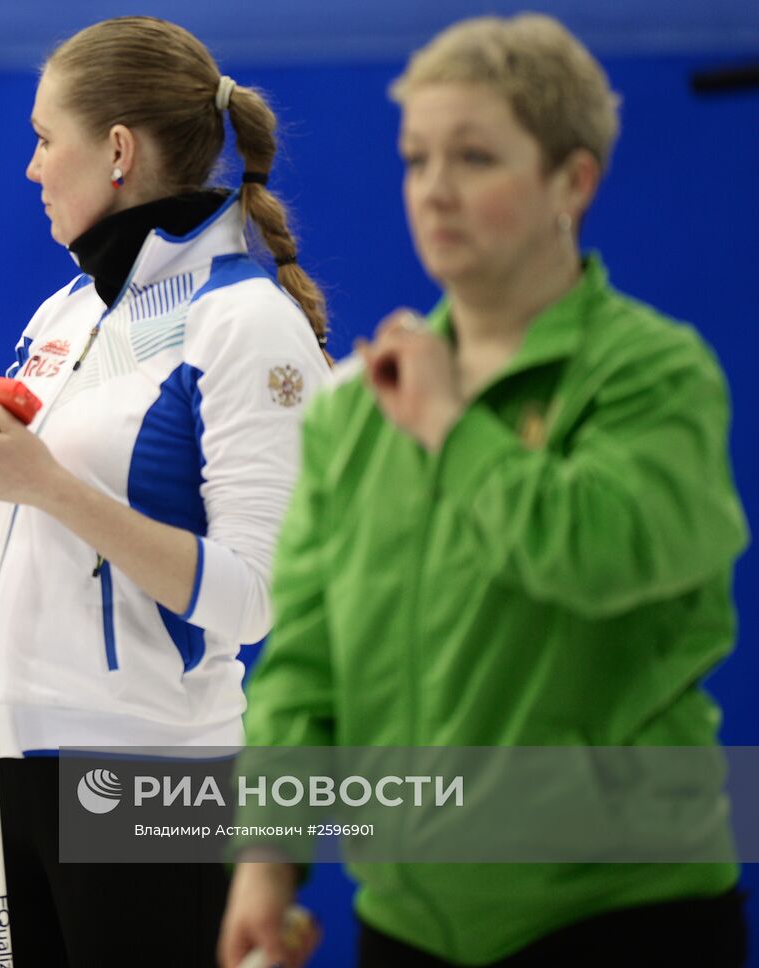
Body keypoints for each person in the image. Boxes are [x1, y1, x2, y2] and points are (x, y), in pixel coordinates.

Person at [219, 14, 748, 968]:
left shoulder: (654, 375)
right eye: (418, 159)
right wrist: (268, 861)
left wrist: (456, 431)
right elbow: (304, 664)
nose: (436, 191)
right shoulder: (352, 413)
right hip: (410, 927)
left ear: (571, 183)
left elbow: (603, 552)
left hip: (624, 915)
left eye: (475, 158)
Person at [0, 15, 330, 966]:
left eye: (46, 140)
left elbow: (256, 596)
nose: (32, 168)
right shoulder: (68, 311)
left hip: (150, 781)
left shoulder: (248, 325)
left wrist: (55, 490)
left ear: (117, 149)